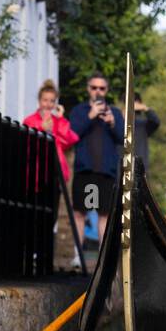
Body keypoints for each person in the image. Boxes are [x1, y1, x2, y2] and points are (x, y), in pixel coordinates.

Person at [68, 72, 124, 257]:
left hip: (106, 172)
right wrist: (90, 115)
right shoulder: (79, 111)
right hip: (85, 170)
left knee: (105, 215)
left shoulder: (114, 112)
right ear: (88, 89)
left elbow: (123, 138)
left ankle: (102, 257)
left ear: (106, 90)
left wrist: (113, 122)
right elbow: (72, 135)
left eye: (101, 88)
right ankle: (78, 256)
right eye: (94, 87)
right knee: (79, 213)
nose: (98, 91)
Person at [24, 78, 79, 185]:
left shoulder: (58, 121)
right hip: (36, 172)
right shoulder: (30, 120)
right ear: (39, 101)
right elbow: (26, 142)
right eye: (45, 100)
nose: (48, 104)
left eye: (52, 101)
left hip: (54, 171)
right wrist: (40, 128)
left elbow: (70, 140)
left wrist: (61, 119)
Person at [133, 93, 160, 172]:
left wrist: (145, 108)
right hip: (121, 165)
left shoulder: (143, 124)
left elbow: (155, 122)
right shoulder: (119, 121)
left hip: (139, 166)